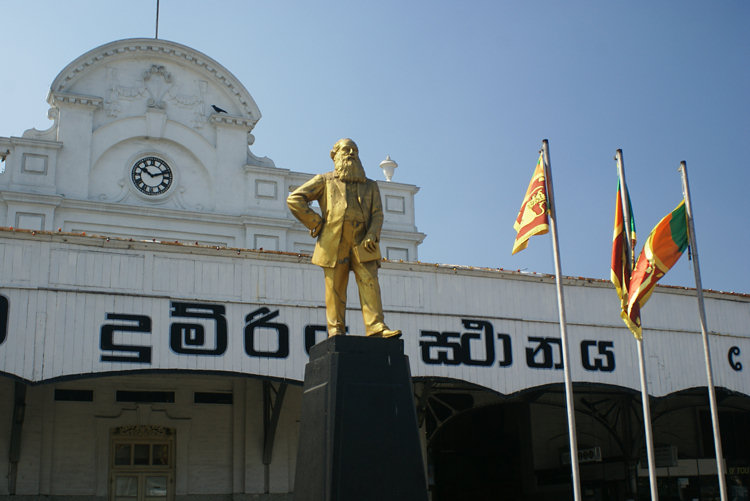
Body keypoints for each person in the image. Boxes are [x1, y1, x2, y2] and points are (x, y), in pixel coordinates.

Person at [287, 138, 401, 339]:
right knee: (335, 287)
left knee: (370, 282)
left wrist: (372, 234)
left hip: (363, 240)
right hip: (334, 240)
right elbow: (295, 199)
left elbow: (377, 214)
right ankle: (336, 329)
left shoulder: (370, 186)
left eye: (354, 150)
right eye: (346, 150)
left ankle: (376, 327)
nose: (350, 153)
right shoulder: (325, 180)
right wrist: (316, 223)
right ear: (335, 155)